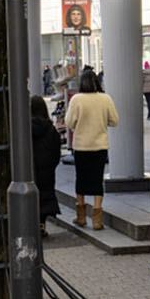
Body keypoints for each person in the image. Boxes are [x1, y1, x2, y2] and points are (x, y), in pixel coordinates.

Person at [64, 67, 118, 230]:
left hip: (81, 146)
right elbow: (114, 120)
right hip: (99, 145)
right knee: (97, 179)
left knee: (81, 178)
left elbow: (68, 123)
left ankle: (81, 216)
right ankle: (97, 219)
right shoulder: (105, 99)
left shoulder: (76, 99)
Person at [30, 95, 62, 233]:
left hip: (31, 166)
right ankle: (42, 223)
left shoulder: (26, 129)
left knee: (31, 194)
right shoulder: (51, 128)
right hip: (47, 166)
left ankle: (31, 223)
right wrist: (52, 163)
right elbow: (57, 149)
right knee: (45, 193)